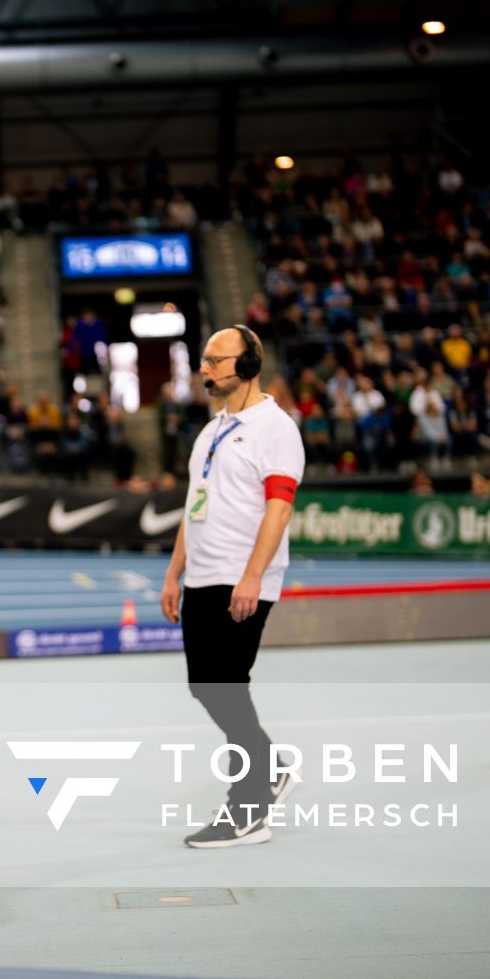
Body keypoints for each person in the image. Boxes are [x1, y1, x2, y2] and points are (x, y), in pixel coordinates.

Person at [160, 326, 304, 848]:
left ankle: (249, 810)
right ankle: (271, 769)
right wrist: (174, 572)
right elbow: (193, 508)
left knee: (226, 685)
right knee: (208, 686)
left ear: (247, 365)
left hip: (241, 582)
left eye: (217, 360)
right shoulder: (211, 431)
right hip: (201, 577)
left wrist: (252, 575)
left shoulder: (276, 428)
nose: (206, 368)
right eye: (204, 360)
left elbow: (280, 507)